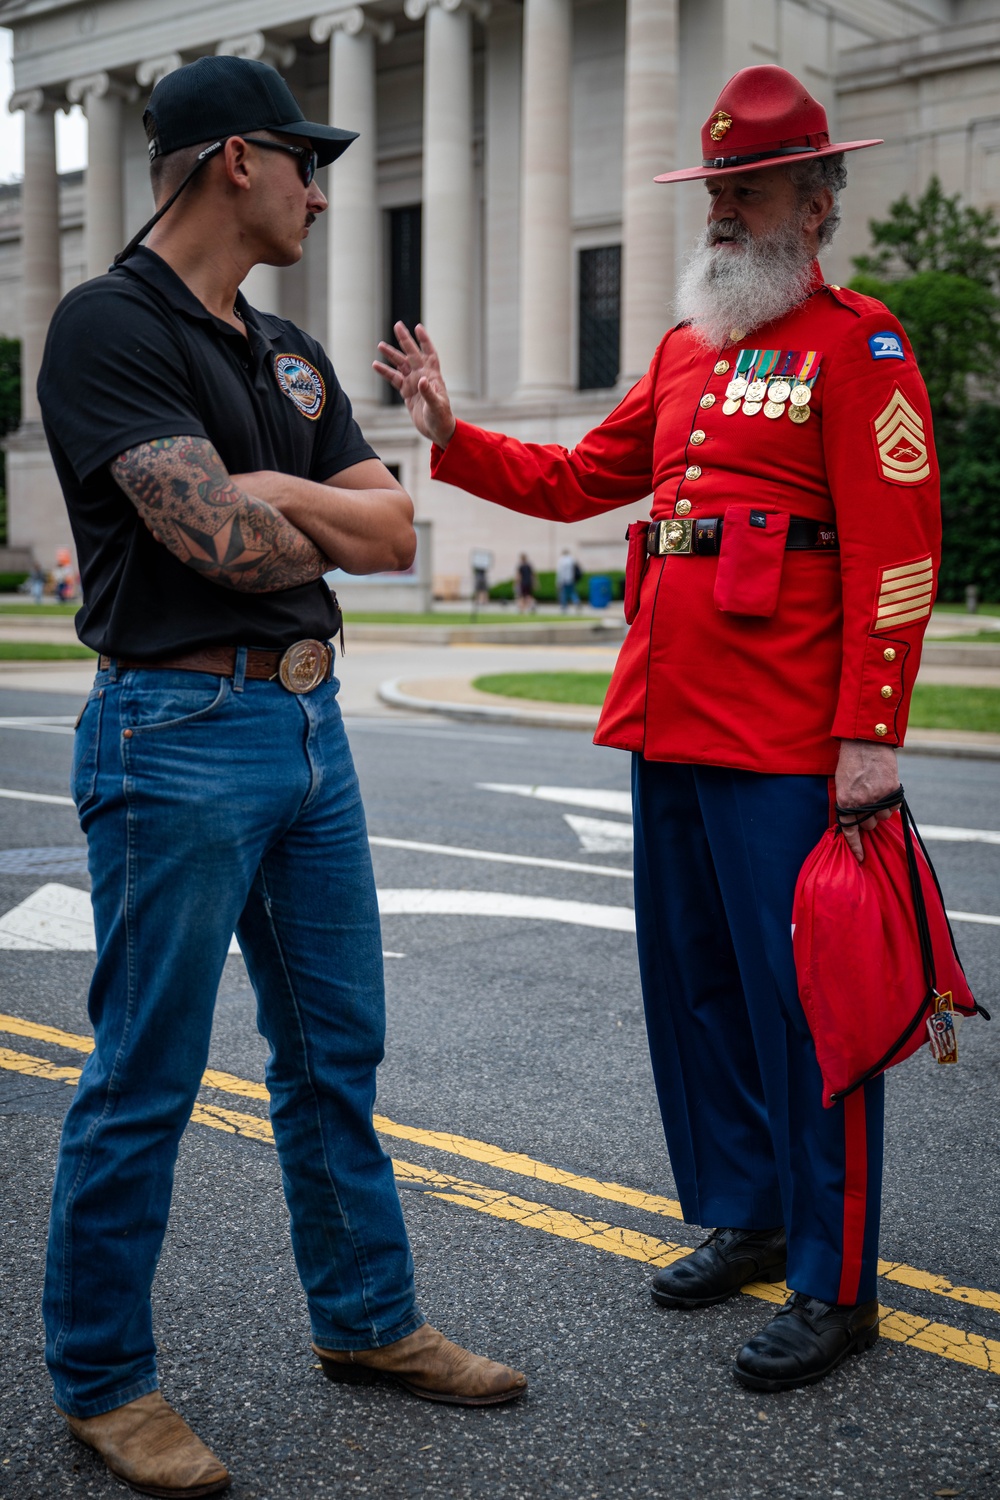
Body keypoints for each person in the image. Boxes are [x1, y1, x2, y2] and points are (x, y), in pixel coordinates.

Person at [375, 65, 940, 1393]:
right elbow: (580, 480)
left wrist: (870, 735)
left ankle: (835, 1279)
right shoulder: (688, 350)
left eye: (746, 191)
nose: (722, 216)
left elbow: (897, 555)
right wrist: (453, 437)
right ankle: (747, 1216)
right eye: (714, 193)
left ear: (816, 199)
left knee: (814, 1012)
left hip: (791, 742)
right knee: (696, 999)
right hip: (673, 723)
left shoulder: (861, 348)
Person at [37, 55, 525, 1500]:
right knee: (146, 1072)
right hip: (176, 738)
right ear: (232, 160)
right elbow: (222, 551)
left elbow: (394, 537)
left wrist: (282, 492)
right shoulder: (104, 329)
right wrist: (311, 512)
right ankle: (103, 1378)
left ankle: (368, 1322)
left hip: (313, 736)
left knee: (335, 1057)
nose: (324, 186)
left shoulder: (287, 348)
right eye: (305, 160)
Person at [555, 547, 579, 613]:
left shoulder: (561, 560)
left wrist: (558, 581)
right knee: (572, 592)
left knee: (563, 593)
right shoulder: (572, 559)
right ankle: (576, 602)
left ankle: (564, 606)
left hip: (564, 579)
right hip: (571, 579)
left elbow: (560, 572)